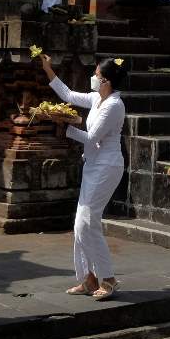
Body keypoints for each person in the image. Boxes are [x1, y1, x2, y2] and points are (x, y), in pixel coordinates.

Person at [39, 52, 126, 300]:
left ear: (107, 80)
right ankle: (89, 278)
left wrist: (64, 124)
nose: (94, 77)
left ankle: (107, 278)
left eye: (97, 74)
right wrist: (48, 69)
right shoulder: (97, 99)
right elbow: (67, 95)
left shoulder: (114, 105)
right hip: (93, 164)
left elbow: (91, 137)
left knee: (88, 223)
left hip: (107, 166)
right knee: (80, 225)